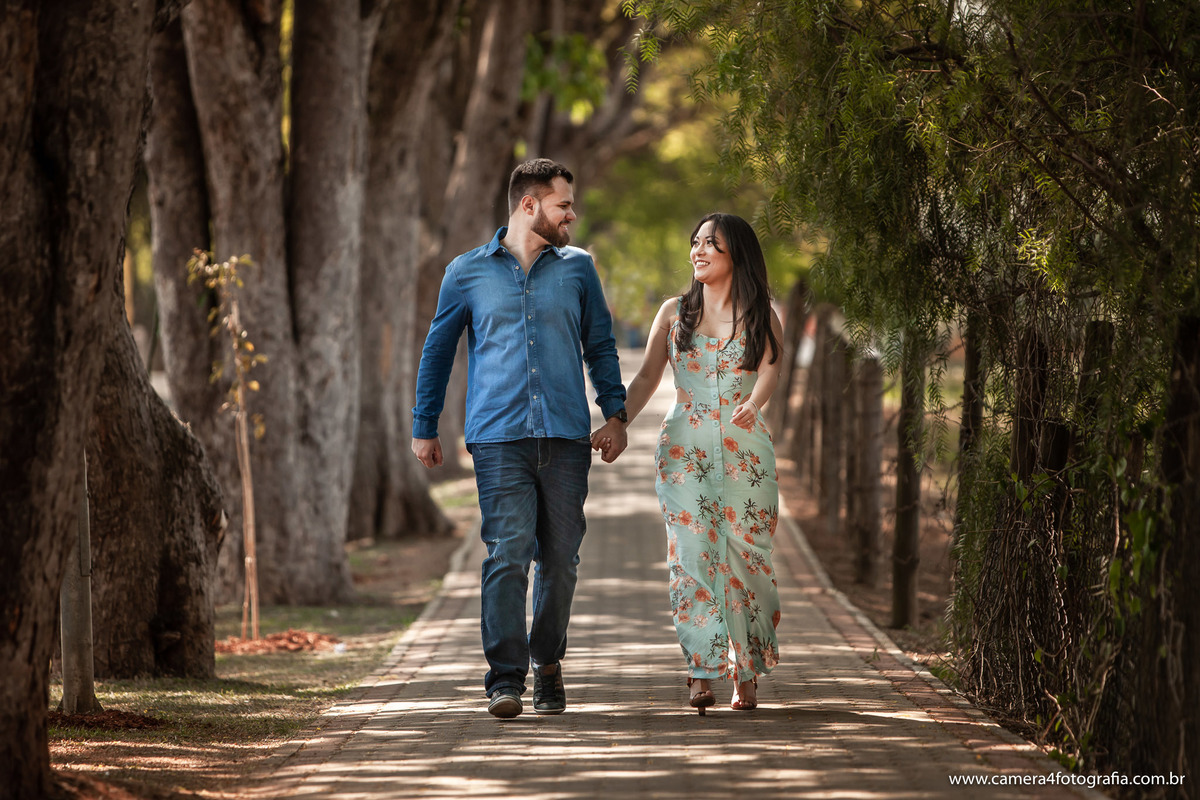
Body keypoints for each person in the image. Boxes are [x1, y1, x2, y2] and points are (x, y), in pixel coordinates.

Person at [412, 158, 628, 720]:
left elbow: (600, 346)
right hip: (498, 439)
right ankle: (505, 678)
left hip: (565, 438)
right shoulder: (466, 272)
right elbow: (438, 352)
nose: (572, 216)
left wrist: (617, 413)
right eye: (563, 206)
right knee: (507, 555)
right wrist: (424, 425)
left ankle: (548, 664)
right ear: (528, 205)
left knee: (562, 561)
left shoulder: (578, 270)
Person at [594, 212, 783, 714]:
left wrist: (755, 402)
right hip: (684, 452)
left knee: (748, 557)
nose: (697, 252)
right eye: (695, 242)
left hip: (747, 455)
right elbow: (645, 380)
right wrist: (618, 422)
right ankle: (701, 669)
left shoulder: (762, 313)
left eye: (710, 245)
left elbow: (771, 368)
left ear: (735, 255)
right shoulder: (674, 313)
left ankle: (746, 669)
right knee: (693, 553)